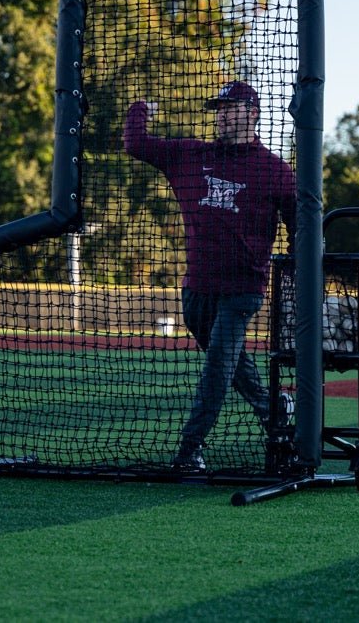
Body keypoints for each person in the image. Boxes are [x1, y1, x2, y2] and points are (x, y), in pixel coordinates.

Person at [124, 80, 296, 471]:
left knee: (218, 366)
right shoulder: (190, 155)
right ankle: (274, 408)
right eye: (219, 109)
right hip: (197, 289)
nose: (221, 115)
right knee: (229, 360)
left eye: (230, 107)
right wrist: (140, 108)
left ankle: (190, 449)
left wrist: (300, 272)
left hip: (244, 289)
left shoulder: (275, 171)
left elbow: (300, 227)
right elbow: (136, 145)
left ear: (252, 114)